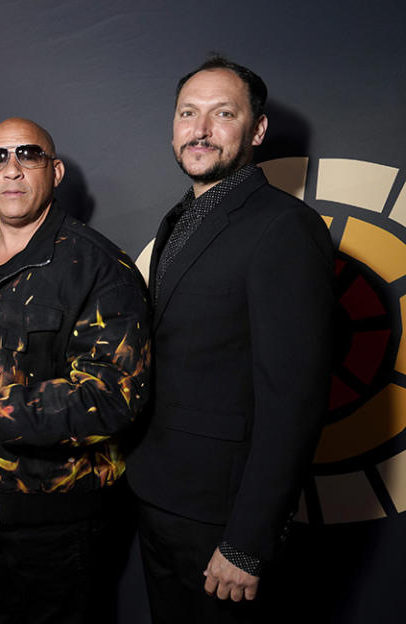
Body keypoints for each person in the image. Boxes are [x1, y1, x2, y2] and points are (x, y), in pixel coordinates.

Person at [127, 56, 334, 623]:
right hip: (158, 494)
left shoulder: (285, 227)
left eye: (223, 114)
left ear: (257, 130)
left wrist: (248, 541)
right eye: (188, 114)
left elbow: (293, 400)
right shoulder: (179, 220)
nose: (200, 129)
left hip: (224, 519)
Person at [0, 117, 151, 623]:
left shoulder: (97, 264)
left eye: (27, 156)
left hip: (57, 521)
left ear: (55, 171)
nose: (11, 170)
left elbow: (112, 397)